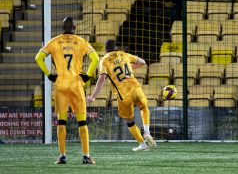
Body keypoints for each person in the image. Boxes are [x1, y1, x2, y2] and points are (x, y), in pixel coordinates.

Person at [35, 17, 99, 164]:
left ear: (62, 27)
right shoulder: (81, 41)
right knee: (82, 122)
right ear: (74, 27)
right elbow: (95, 58)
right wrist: (87, 75)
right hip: (76, 85)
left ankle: (62, 156)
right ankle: (86, 156)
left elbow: (38, 57)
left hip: (61, 85)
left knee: (61, 122)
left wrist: (50, 74)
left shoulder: (55, 41)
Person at [86, 39, 157, 151]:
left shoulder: (104, 60)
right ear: (116, 47)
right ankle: (147, 132)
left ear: (105, 49)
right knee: (144, 108)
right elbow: (142, 62)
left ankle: (142, 144)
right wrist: (128, 67)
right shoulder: (123, 54)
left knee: (129, 121)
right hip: (135, 88)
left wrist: (93, 96)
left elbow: (101, 78)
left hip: (123, 95)